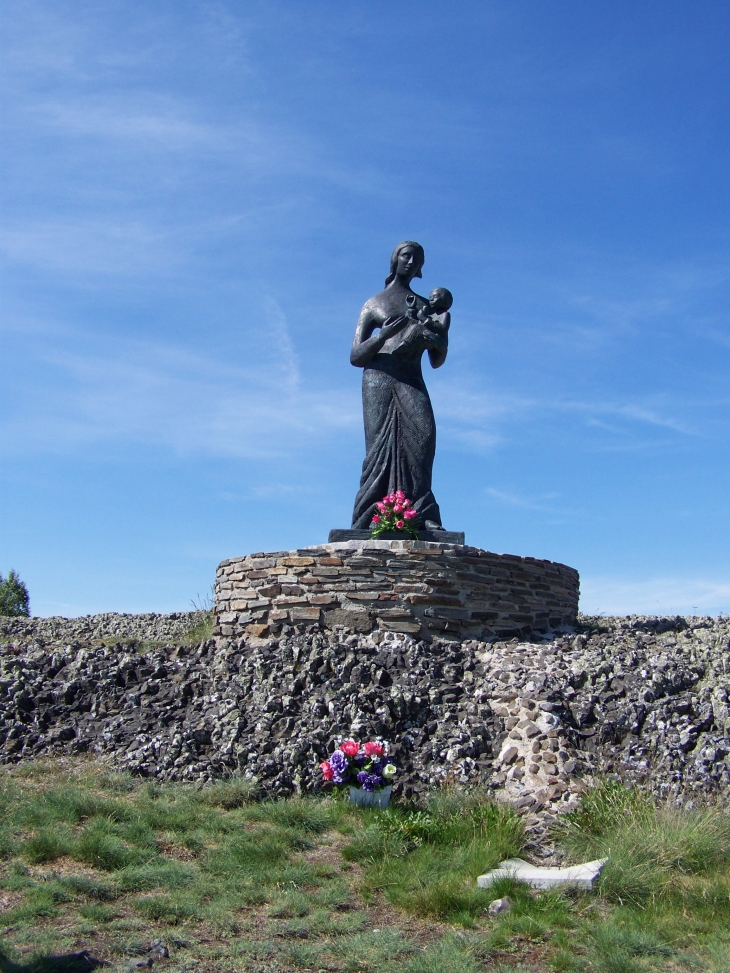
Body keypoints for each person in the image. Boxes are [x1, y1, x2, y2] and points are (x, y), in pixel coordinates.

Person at [349, 241, 451, 531]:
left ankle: (422, 513)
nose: (411, 262)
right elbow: (355, 356)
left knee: (424, 437)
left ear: (420, 268)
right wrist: (384, 335)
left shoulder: (424, 306)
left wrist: (439, 340)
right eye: (406, 256)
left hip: (411, 378)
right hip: (378, 379)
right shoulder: (374, 303)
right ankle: (371, 515)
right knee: (378, 450)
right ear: (395, 260)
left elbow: (436, 360)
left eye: (417, 259)